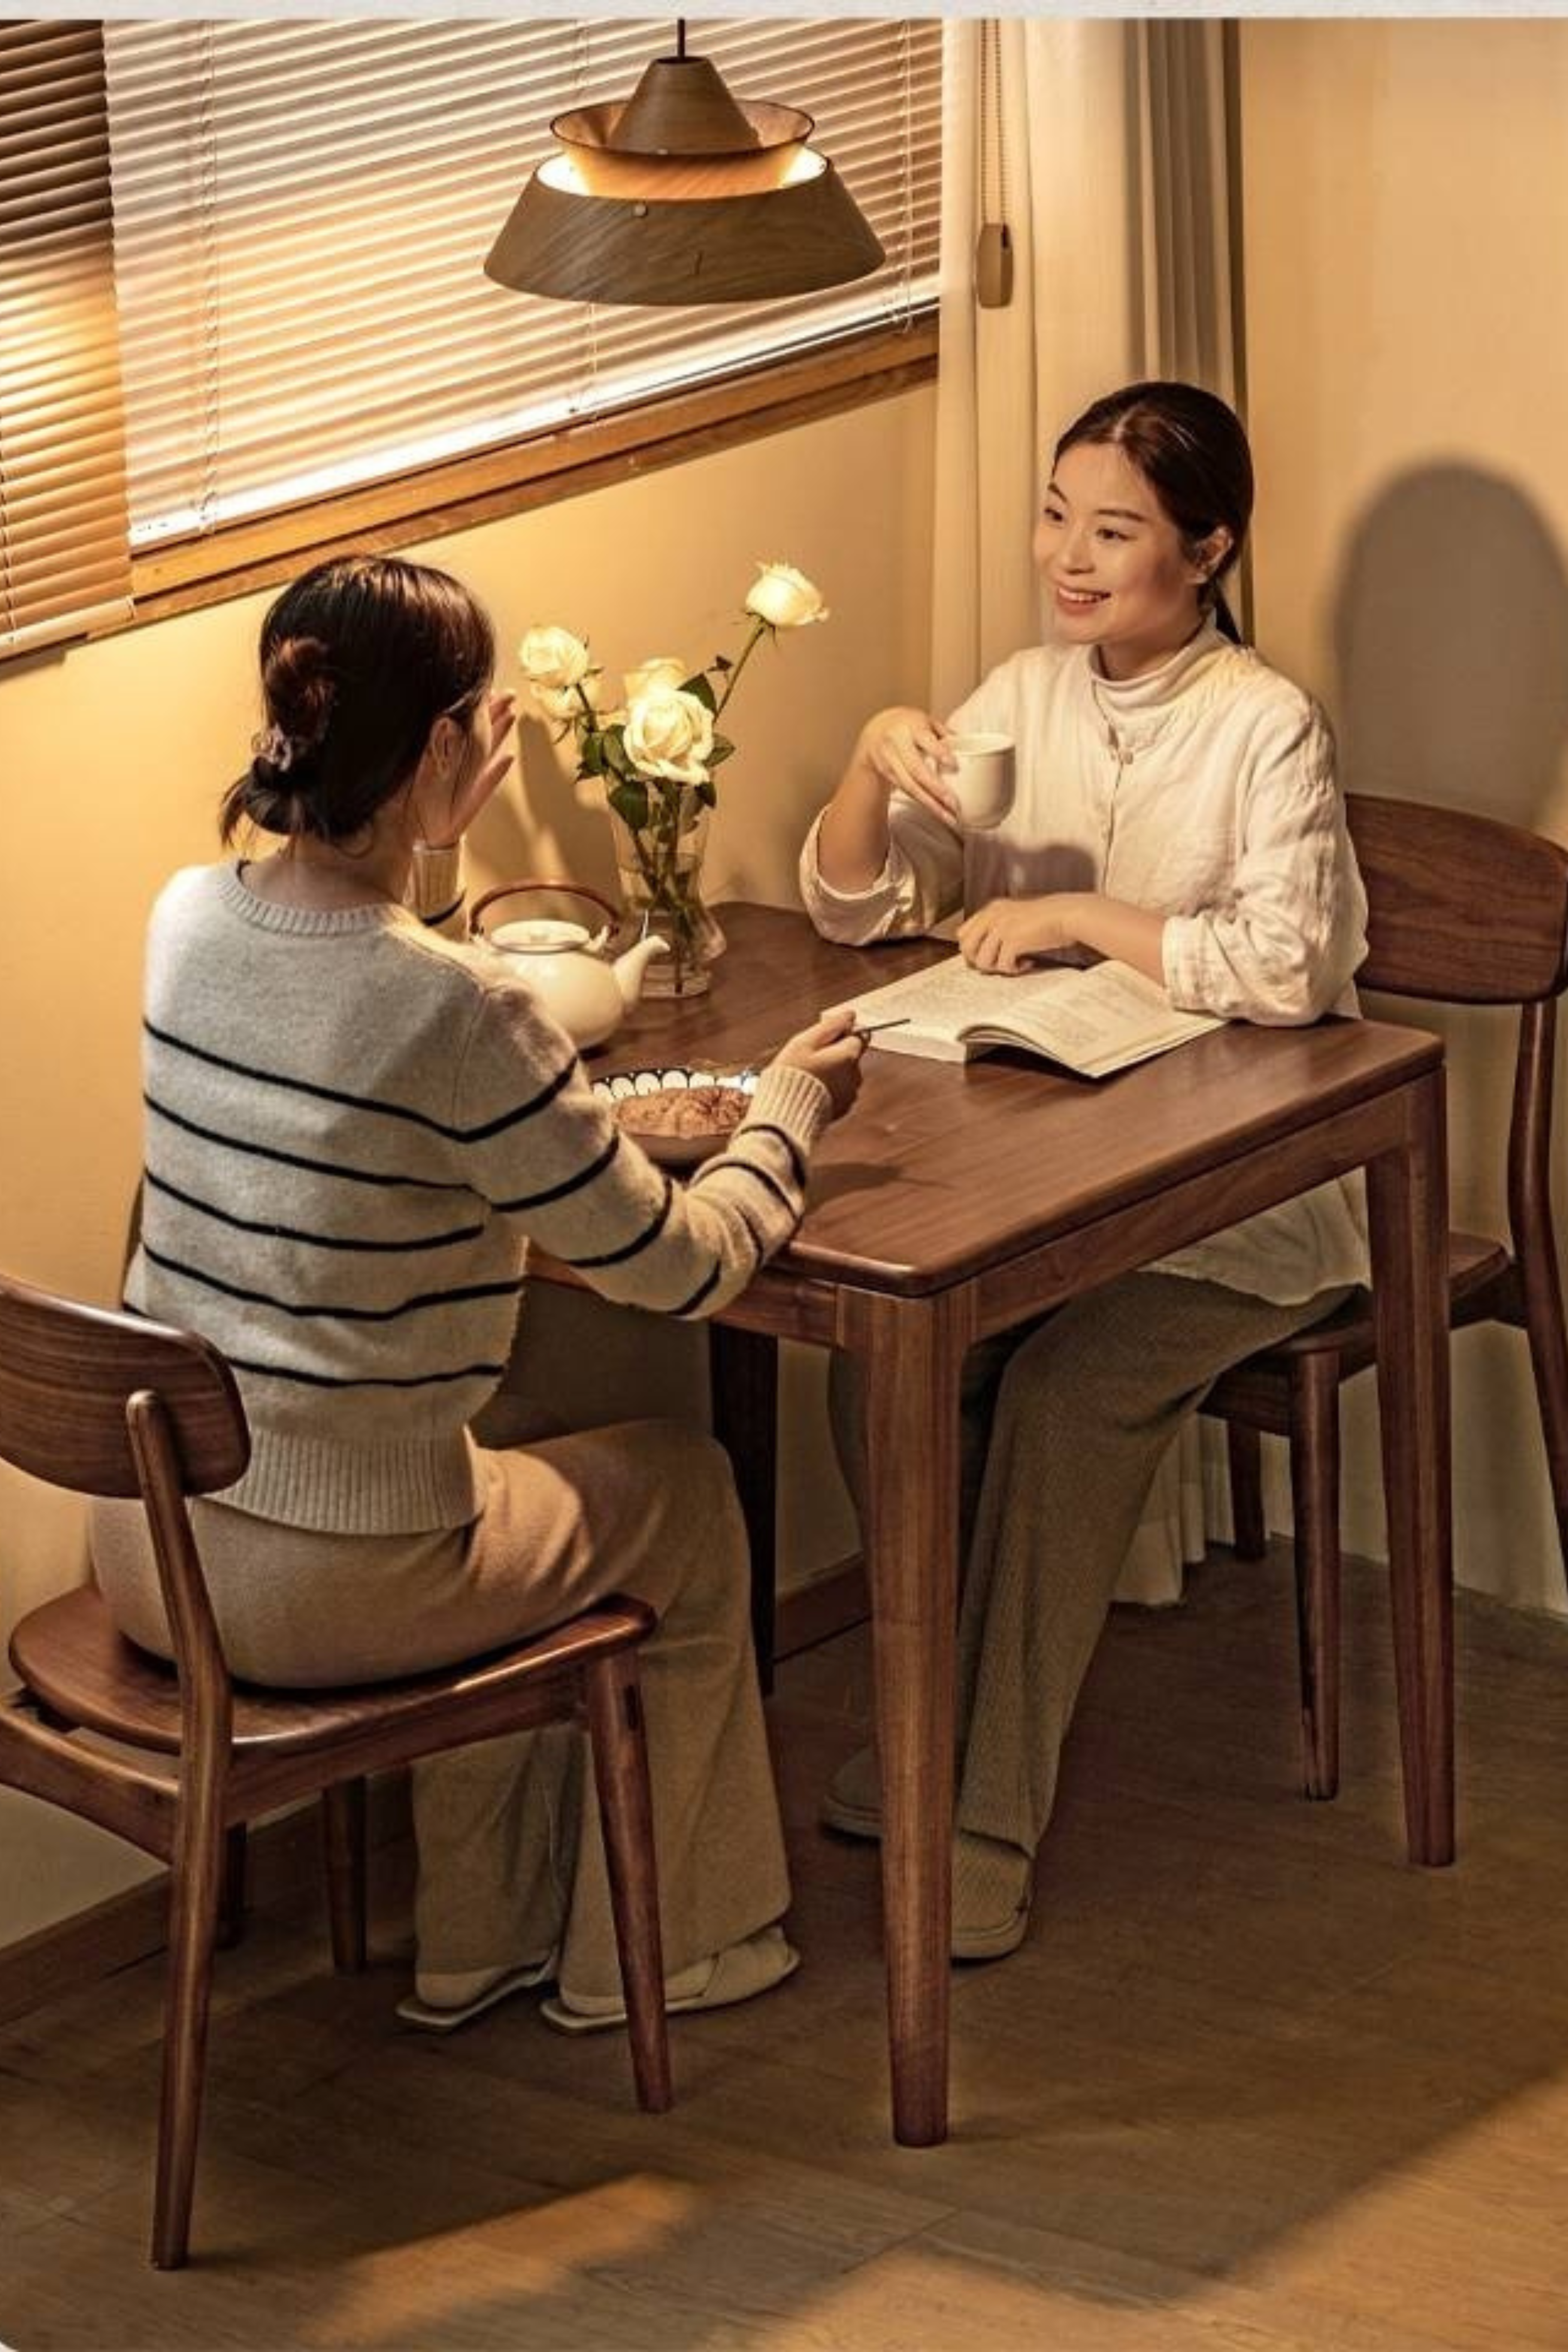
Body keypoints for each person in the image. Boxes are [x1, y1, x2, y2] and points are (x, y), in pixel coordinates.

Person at [91, 551, 866, 2034]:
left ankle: (476, 1944)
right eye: (483, 724)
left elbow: (352, 1016)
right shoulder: (466, 1012)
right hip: (318, 1586)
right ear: (442, 748)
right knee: (688, 1494)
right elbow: (680, 1268)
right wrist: (787, 1113)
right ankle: (675, 1950)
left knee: (502, 1448)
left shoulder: (187, 917)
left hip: (150, 1542)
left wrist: (420, 859)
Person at [798, 380, 1370, 1962]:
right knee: (891, 1379)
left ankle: (976, 1822)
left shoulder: (1267, 723)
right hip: (1050, 1175)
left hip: (1241, 1208)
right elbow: (857, 911)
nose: (1070, 555)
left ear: (1208, 548)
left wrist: (1078, 920)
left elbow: (1292, 967)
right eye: (1057, 515)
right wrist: (866, 766)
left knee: (1055, 1401)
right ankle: (938, 1735)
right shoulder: (1020, 697)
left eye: (1113, 529)